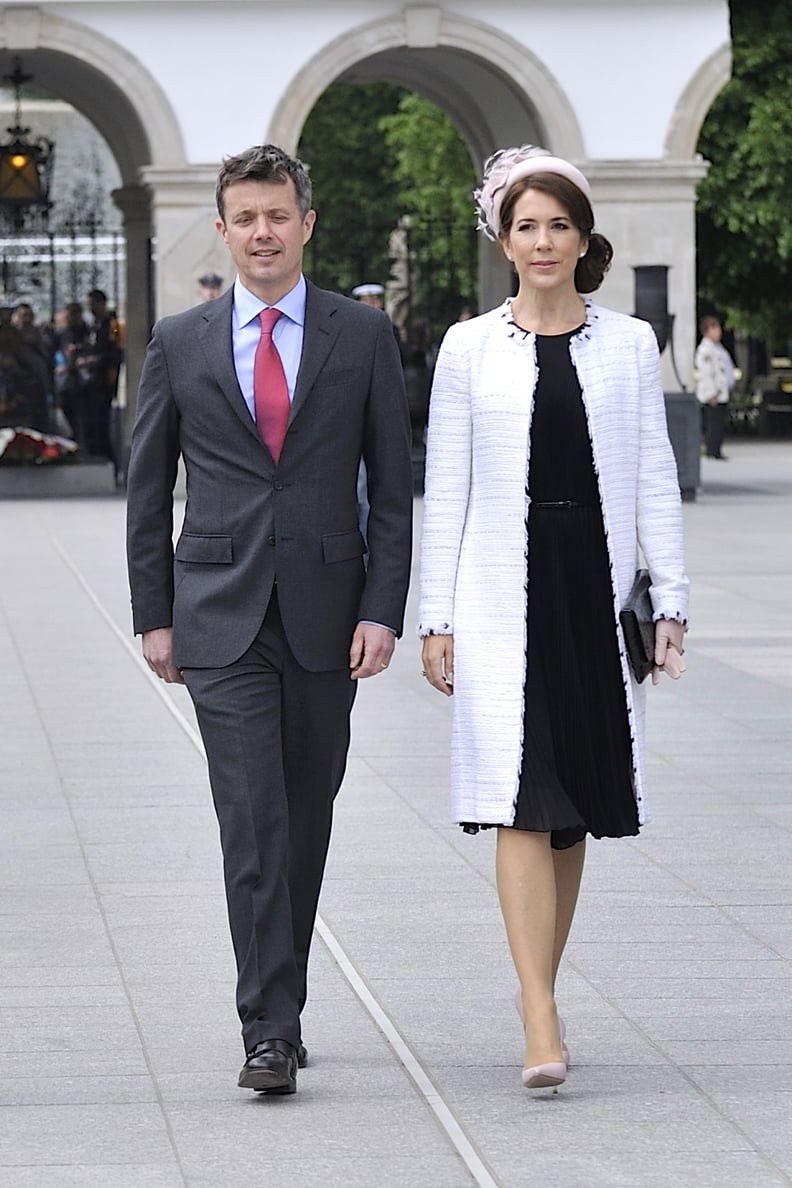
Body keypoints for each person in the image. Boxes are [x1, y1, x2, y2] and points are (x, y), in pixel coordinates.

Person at [126, 144, 413, 1096]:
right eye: (244, 217)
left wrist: (383, 610)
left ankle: (280, 1000)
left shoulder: (363, 338)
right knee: (251, 821)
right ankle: (268, 1027)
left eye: (277, 215)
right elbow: (146, 489)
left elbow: (396, 491)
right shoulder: (180, 340)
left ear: (306, 224)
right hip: (219, 616)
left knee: (306, 820)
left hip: (332, 618)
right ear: (222, 228)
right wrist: (153, 616)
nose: (262, 232)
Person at [419, 145, 689, 1094]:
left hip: (594, 588)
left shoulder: (627, 342)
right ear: (503, 237)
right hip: (503, 589)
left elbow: (655, 474)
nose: (542, 242)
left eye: (558, 225)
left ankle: (546, 990)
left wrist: (673, 602)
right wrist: (435, 618)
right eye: (525, 225)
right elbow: (443, 488)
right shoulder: (466, 347)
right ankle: (537, 1009)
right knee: (519, 794)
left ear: (584, 238)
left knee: (573, 806)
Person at [694, 315, 734, 459]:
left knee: (719, 423)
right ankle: (712, 450)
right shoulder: (705, 350)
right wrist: (711, 394)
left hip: (722, 392)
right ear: (706, 331)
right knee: (713, 423)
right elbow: (706, 374)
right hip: (714, 394)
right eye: (714, 329)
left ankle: (717, 449)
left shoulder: (718, 348)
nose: (719, 332)